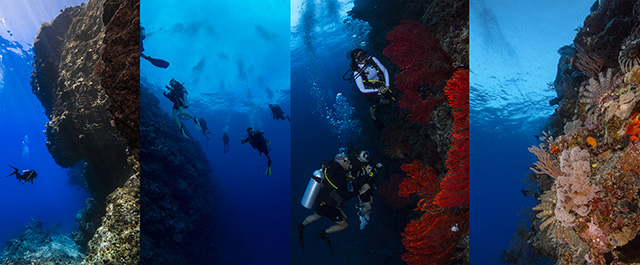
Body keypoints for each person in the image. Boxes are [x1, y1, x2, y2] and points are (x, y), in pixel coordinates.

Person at [297, 153, 359, 251]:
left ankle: (301, 226)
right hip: (329, 206)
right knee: (344, 225)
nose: (350, 164)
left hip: (320, 200)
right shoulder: (340, 174)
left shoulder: (330, 167)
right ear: (343, 162)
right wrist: (359, 192)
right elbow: (343, 194)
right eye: (348, 162)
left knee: (316, 216)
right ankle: (324, 233)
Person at [349, 49, 393, 130]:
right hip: (370, 91)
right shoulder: (357, 73)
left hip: (381, 85)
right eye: (360, 58)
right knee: (374, 107)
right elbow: (362, 90)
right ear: (356, 61)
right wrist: (378, 90)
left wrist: (387, 85)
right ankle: (373, 117)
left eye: (364, 56)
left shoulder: (373, 59)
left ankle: (381, 101)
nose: (364, 59)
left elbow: (384, 70)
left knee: (387, 101)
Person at [349, 148, 381, 230]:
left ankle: (360, 205)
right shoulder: (355, 168)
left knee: (371, 202)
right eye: (364, 155)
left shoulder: (367, 163)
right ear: (358, 158)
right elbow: (358, 182)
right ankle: (361, 215)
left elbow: (372, 173)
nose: (366, 156)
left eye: (366, 153)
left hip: (369, 186)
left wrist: (376, 168)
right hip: (361, 190)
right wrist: (367, 173)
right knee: (368, 207)